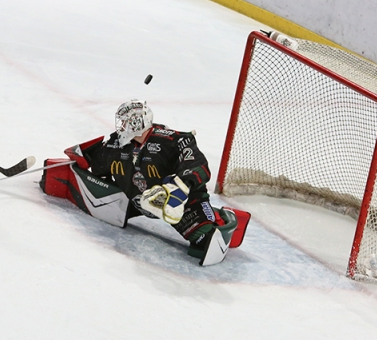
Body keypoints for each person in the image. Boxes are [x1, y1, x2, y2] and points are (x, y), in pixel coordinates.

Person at [41, 100, 245, 266]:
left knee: (204, 240)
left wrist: (180, 187)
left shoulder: (172, 140)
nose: (121, 127)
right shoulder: (116, 143)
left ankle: (217, 217)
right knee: (99, 197)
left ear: (138, 123)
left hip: (176, 204)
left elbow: (198, 165)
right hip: (135, 201)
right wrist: (81, 155)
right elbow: (96, 161)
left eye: (125, 122)